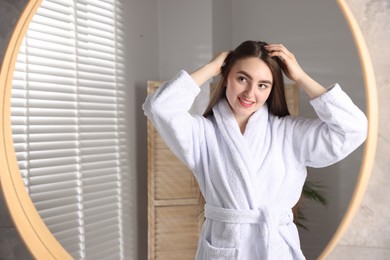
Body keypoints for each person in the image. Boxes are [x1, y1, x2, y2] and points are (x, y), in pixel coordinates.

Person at [143, 40, 367, 260]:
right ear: (225, 79)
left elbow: (353, 129)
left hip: (275, 248)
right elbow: (160, 107)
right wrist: (211, 68)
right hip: (225, 248)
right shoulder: (202, 134)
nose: (250, 93)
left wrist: (300, 77)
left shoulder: (289, 133)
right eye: (242, 78)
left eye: (263, 85)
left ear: (271, 90)